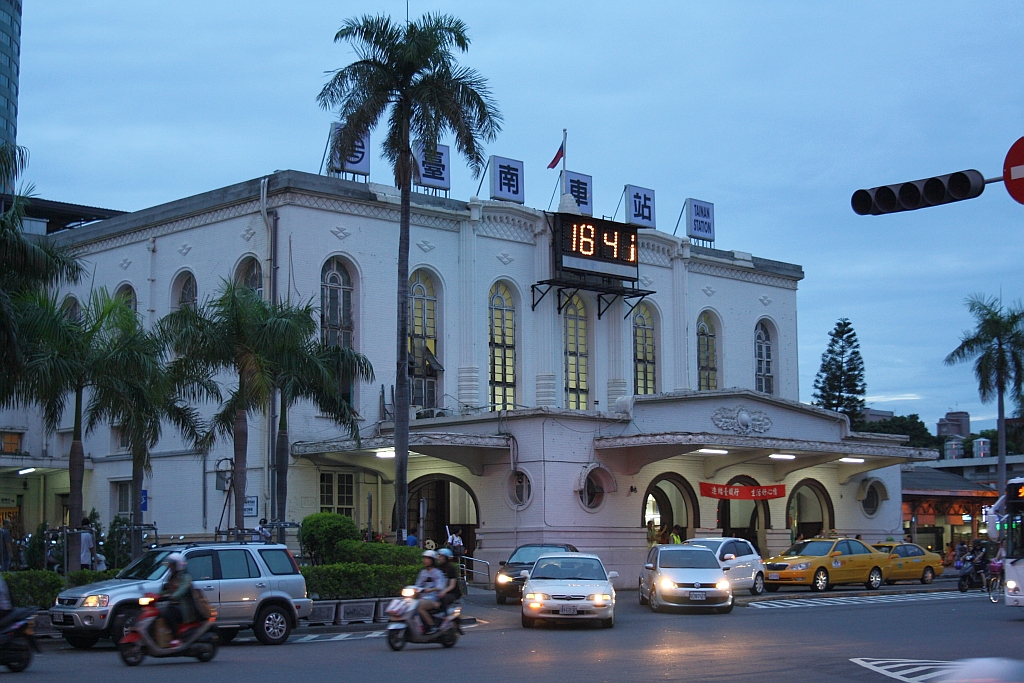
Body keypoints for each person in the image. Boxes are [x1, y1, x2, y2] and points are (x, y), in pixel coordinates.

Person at [159, 552, 196, 648]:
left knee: (169, 613)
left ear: (178, 565)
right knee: (160, 613)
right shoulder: (172, 577)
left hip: (185, 607)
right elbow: (167, 589)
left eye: (171, 565)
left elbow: (182, 589)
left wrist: (173, 596)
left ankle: (176, 638)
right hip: (174, 605)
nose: (170, 568)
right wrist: (157, 596)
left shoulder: (185, 577)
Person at [414, 550, 445, 634]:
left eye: (428, 558)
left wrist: (431, 589)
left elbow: (440, 586)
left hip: (433, 598)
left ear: (433, 560)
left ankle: (432, 626)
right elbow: (418, 585)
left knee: (420, 606)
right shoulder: (423, 572)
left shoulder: (438, 573)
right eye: (424, 558)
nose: (425, 560)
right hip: (422, 597)